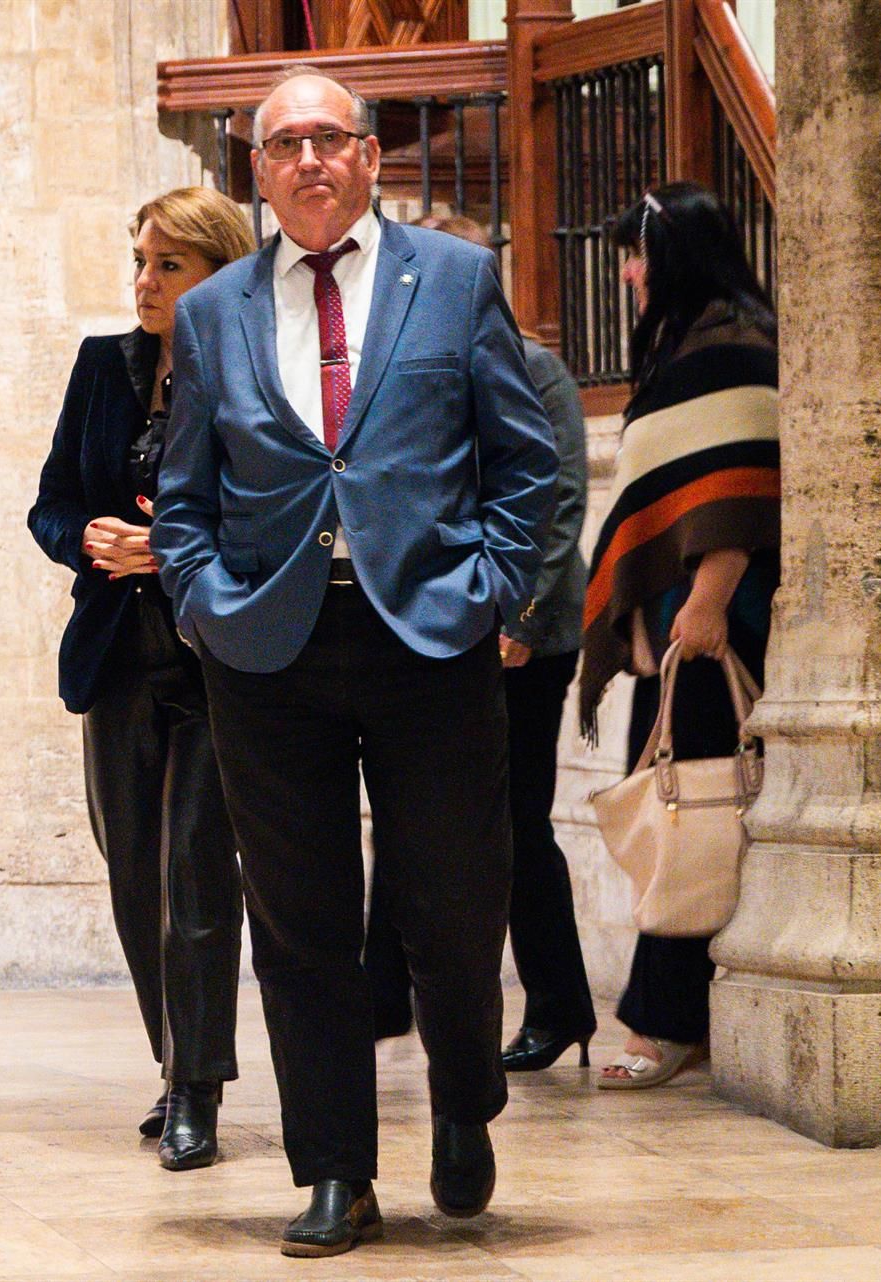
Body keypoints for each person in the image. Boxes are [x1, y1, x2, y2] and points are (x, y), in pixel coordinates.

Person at [152, 68, 557, 1257]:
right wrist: (203, 604)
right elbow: (185, 495)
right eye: (287, 145)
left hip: (428, 635)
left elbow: (525, 463)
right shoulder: (214, 310)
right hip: (270, 650)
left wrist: (491, 588)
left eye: (332, 139)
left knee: (453, 896)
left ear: (371, 159)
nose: (312, 160)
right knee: (298, 922)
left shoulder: (458, 280)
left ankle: (465, 1099)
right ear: (260, 171)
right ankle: (334, 1168)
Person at [28, 187, 256, 1172]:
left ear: (218, 273)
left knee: (198, 877)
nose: (145, 282)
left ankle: (199, 1089)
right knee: (132, 878)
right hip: (118, 654)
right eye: (139, 261)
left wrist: (166, 547)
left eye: (168, 264)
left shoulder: (256, 369)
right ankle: (173, 1063)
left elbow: (277, 514)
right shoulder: (102, 365)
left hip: (216, 662)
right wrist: (86, 537)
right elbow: (50, 504)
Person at [364, 213, 598, 1072]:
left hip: (521, 632)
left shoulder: (538, 370)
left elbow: (557, 502)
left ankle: (559, 1002)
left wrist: (517, 621)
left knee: (515, 825)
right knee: (402, 818)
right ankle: (382, 998)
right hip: (435, 622)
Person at [577, 180, 780, 1090]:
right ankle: (685, 1014)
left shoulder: (734, 341)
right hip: (681, 627)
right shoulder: (693, 341)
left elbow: (744, 488)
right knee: (676, 814)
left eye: (637, 253)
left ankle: (663, 1022)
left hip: (716, 625)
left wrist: (703, 601)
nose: (627, 271)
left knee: (691, 814)